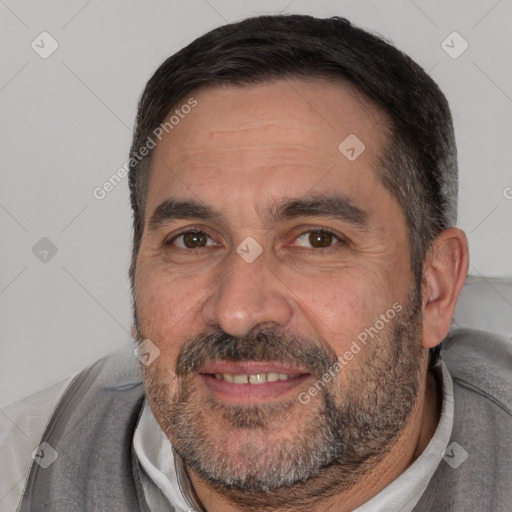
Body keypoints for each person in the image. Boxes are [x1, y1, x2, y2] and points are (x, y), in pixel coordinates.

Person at [4, 14, 511, 512]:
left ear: (434, 289)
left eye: (317, 239)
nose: (238, 312)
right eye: (193, 239)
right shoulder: (21, 472)